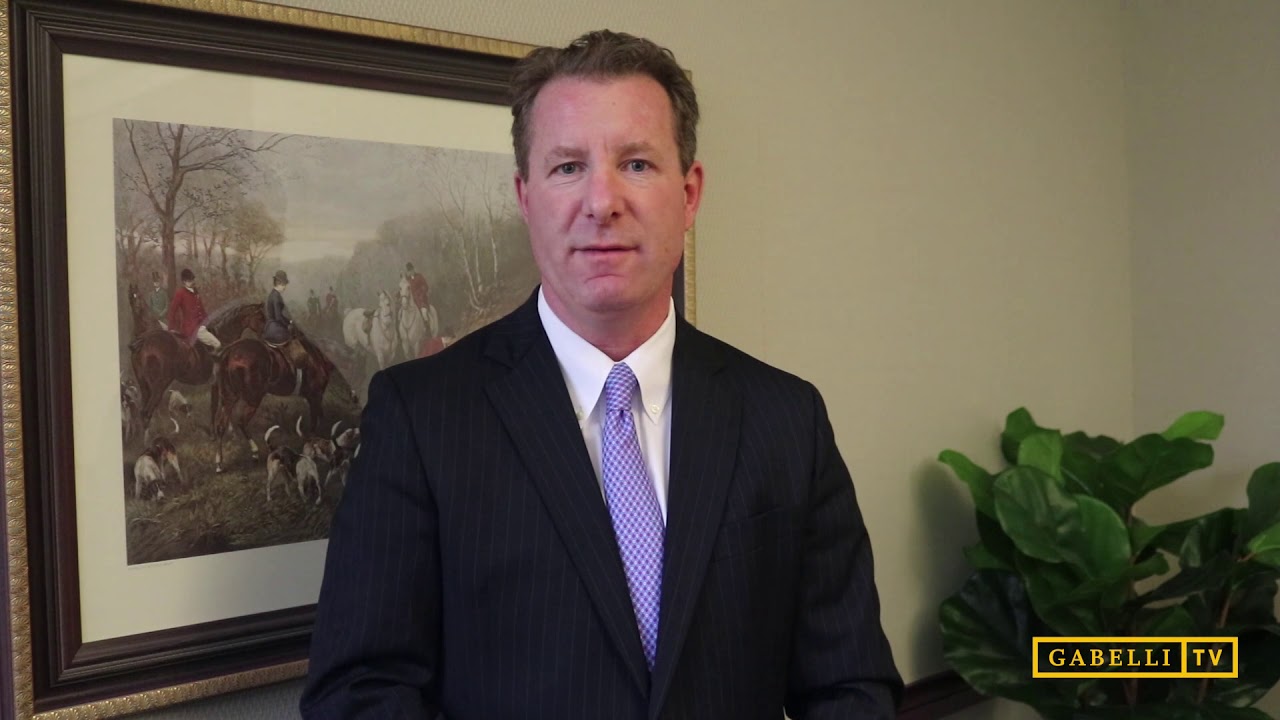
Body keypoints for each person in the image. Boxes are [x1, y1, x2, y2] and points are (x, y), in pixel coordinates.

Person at [302, 30, 901, 720]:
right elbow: (359, 692)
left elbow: (849, 688)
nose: (602, 201)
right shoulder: (421, 416)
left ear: (690, 194)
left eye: (637, 163)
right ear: (526, 197)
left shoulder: (787, 418)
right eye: (567, 167)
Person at [263, 270, 311, 372]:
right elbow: (278, 317)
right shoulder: (276, 296)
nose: (285, 287)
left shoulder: (272, 294)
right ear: (279, 283)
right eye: (284, 284)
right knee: (294, 336)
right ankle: (297, 367)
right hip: (275, 329)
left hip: (269, 327)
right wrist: (289, 323)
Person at [166, 268, 219, 353]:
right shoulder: (180, 293)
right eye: (189, 280)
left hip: (201, 325)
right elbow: (172, 310)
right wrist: (171, 328)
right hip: (192, 328)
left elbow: (201, 309)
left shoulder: (195, 292)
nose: (191, 282)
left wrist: (208, 321)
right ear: (184, 282)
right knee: (217, 344)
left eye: (192, 280)